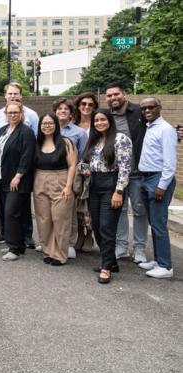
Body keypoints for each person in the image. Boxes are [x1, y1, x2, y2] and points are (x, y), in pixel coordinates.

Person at [82, 110, 132, 284]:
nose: (99, 123)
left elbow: (125, 167)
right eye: (96, 120)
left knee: (106, 227)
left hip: (112, 185)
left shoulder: (120, 139)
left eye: (103, 119)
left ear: (109, 121)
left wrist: (119, 191)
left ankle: (106, 268)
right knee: (96, 226)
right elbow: (85, 162)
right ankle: (111, 262)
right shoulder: (94, 140)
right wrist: (84, 169)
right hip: (94, 185)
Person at [0, 83, 37, 247]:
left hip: (18, 175)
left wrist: (19, 175)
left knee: (16, 210)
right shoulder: (1, 125)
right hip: (3, 174)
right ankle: (9, 236)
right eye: (10, 112)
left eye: (16, 112)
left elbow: (29, 152)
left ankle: (23, 238)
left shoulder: (28, 127)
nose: (12, 114)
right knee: (7, 210)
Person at [105, 83, 146, 263]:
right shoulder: (107, 117)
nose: (113, 98)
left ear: (124, 94)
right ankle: (121, 246)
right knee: (119, 210)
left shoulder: (139, 112)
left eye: (116, 94)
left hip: (137, 173)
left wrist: (176, 132)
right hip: (116, 174)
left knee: (139, 210)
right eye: (109, 96)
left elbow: (156, 127)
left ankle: (140, 248)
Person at [137, 97, 177, 279]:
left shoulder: (166, 130)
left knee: (159, 223)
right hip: (146, 178)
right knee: (153, 222)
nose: (147, 110)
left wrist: (162, 185)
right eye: (144, 108)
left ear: (159, 108)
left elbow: (170, 163)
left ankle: (165, 266)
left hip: (158, 179)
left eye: (151, 107)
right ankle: (158, 259)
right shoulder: (149, 127)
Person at [32, 112, 77, 266]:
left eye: (50, 123)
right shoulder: (37, 143)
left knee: (60, 219)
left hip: (61, 180)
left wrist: (68, 186)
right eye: (44, 123)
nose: (47, 126)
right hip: (40, 180)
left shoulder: (66, 143)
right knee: (44, 219)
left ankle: (60, 254)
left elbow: (72, 166)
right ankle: (48, 251)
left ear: (56, 125)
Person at [53, 97, 89, 259]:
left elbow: (84, 156)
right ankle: (52, 241)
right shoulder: (49, 129)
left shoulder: (78, 133)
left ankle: (69, 243)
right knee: (51, 210)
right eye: (59, 109)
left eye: (66, 109)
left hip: (70, 175)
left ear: (71, 113)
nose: (62, 111)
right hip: (50, 174)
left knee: (69, 211)